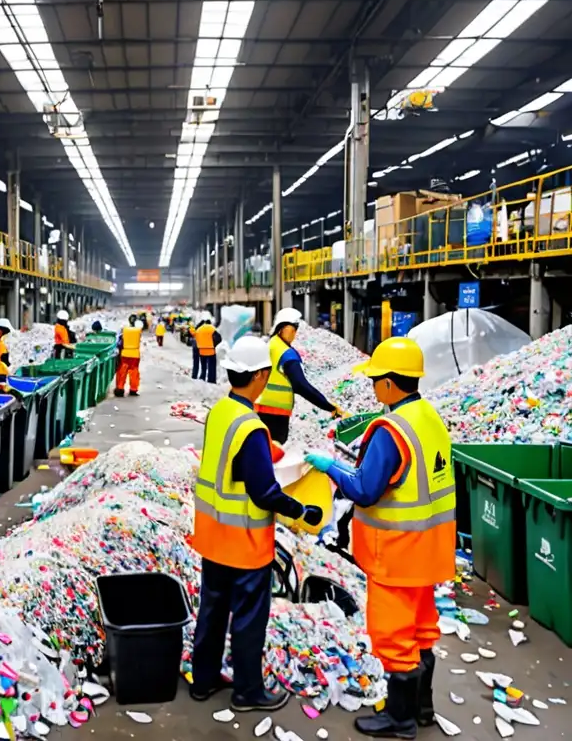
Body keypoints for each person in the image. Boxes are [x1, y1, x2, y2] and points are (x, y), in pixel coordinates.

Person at [304, 338, 455, 739]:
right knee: (422, 628)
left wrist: (331, 467)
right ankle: (422, 707)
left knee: (393, 637)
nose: (373, 387)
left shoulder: (391, 430)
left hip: (396, 556)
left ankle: (400, 720)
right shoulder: (428, 417)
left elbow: (365, 489)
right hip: (429, 551)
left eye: (376, 380)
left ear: (390, 383)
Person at [192, 336, 324, 711]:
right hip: (244, 540)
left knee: (213, 608)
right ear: (261, 376)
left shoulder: (219, 412)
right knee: (249, 618)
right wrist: (302, 511)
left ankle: (203, 680)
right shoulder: (251, 427)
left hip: (212, 533)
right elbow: (264, 492)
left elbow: (227, 466)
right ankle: (248, 691)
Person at [256, 307, 342, 444]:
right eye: (293, 327)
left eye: (296, 328)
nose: (295, 332)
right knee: (274, 452)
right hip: (276, 413)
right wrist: (328, 406)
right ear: (282, 327)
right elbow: (300, 385)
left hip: (262, 407)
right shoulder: (286, 353)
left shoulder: (272, 344)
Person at [114, 315, 143, 397]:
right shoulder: (138, 330)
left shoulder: (124, 330)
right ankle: (133, 389)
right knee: (134, 372)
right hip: (135, 354)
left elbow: (118, 340)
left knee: (122, 372)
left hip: (125, 353)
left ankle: (120, 389)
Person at [194, 312, 222, 383]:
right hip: (210, 350)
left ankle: (202, 378)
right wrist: (213, 344)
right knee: (211, 366)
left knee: (203, 366)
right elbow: (219, 338)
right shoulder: (211, 328)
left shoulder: (199, 329)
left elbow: (196, 339)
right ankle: (211, 380)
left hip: (202, 351)